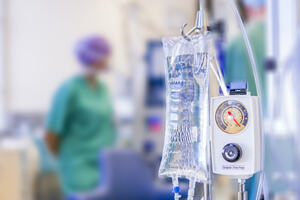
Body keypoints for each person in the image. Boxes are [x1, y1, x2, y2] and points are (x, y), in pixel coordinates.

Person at [45, 35, 116, 198]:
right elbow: (51, 134)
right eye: (105, 56)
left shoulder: (102, 88)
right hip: (78, 168)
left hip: (104, 165)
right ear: (94, 57)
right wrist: (67, 160)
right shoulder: (69, 89)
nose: (108, 61)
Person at [225, 0, 266, 199]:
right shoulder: (287, 38)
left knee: (249, 177)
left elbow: (229, 97)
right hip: (282, 133)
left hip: (245, 128)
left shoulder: (237, 43)